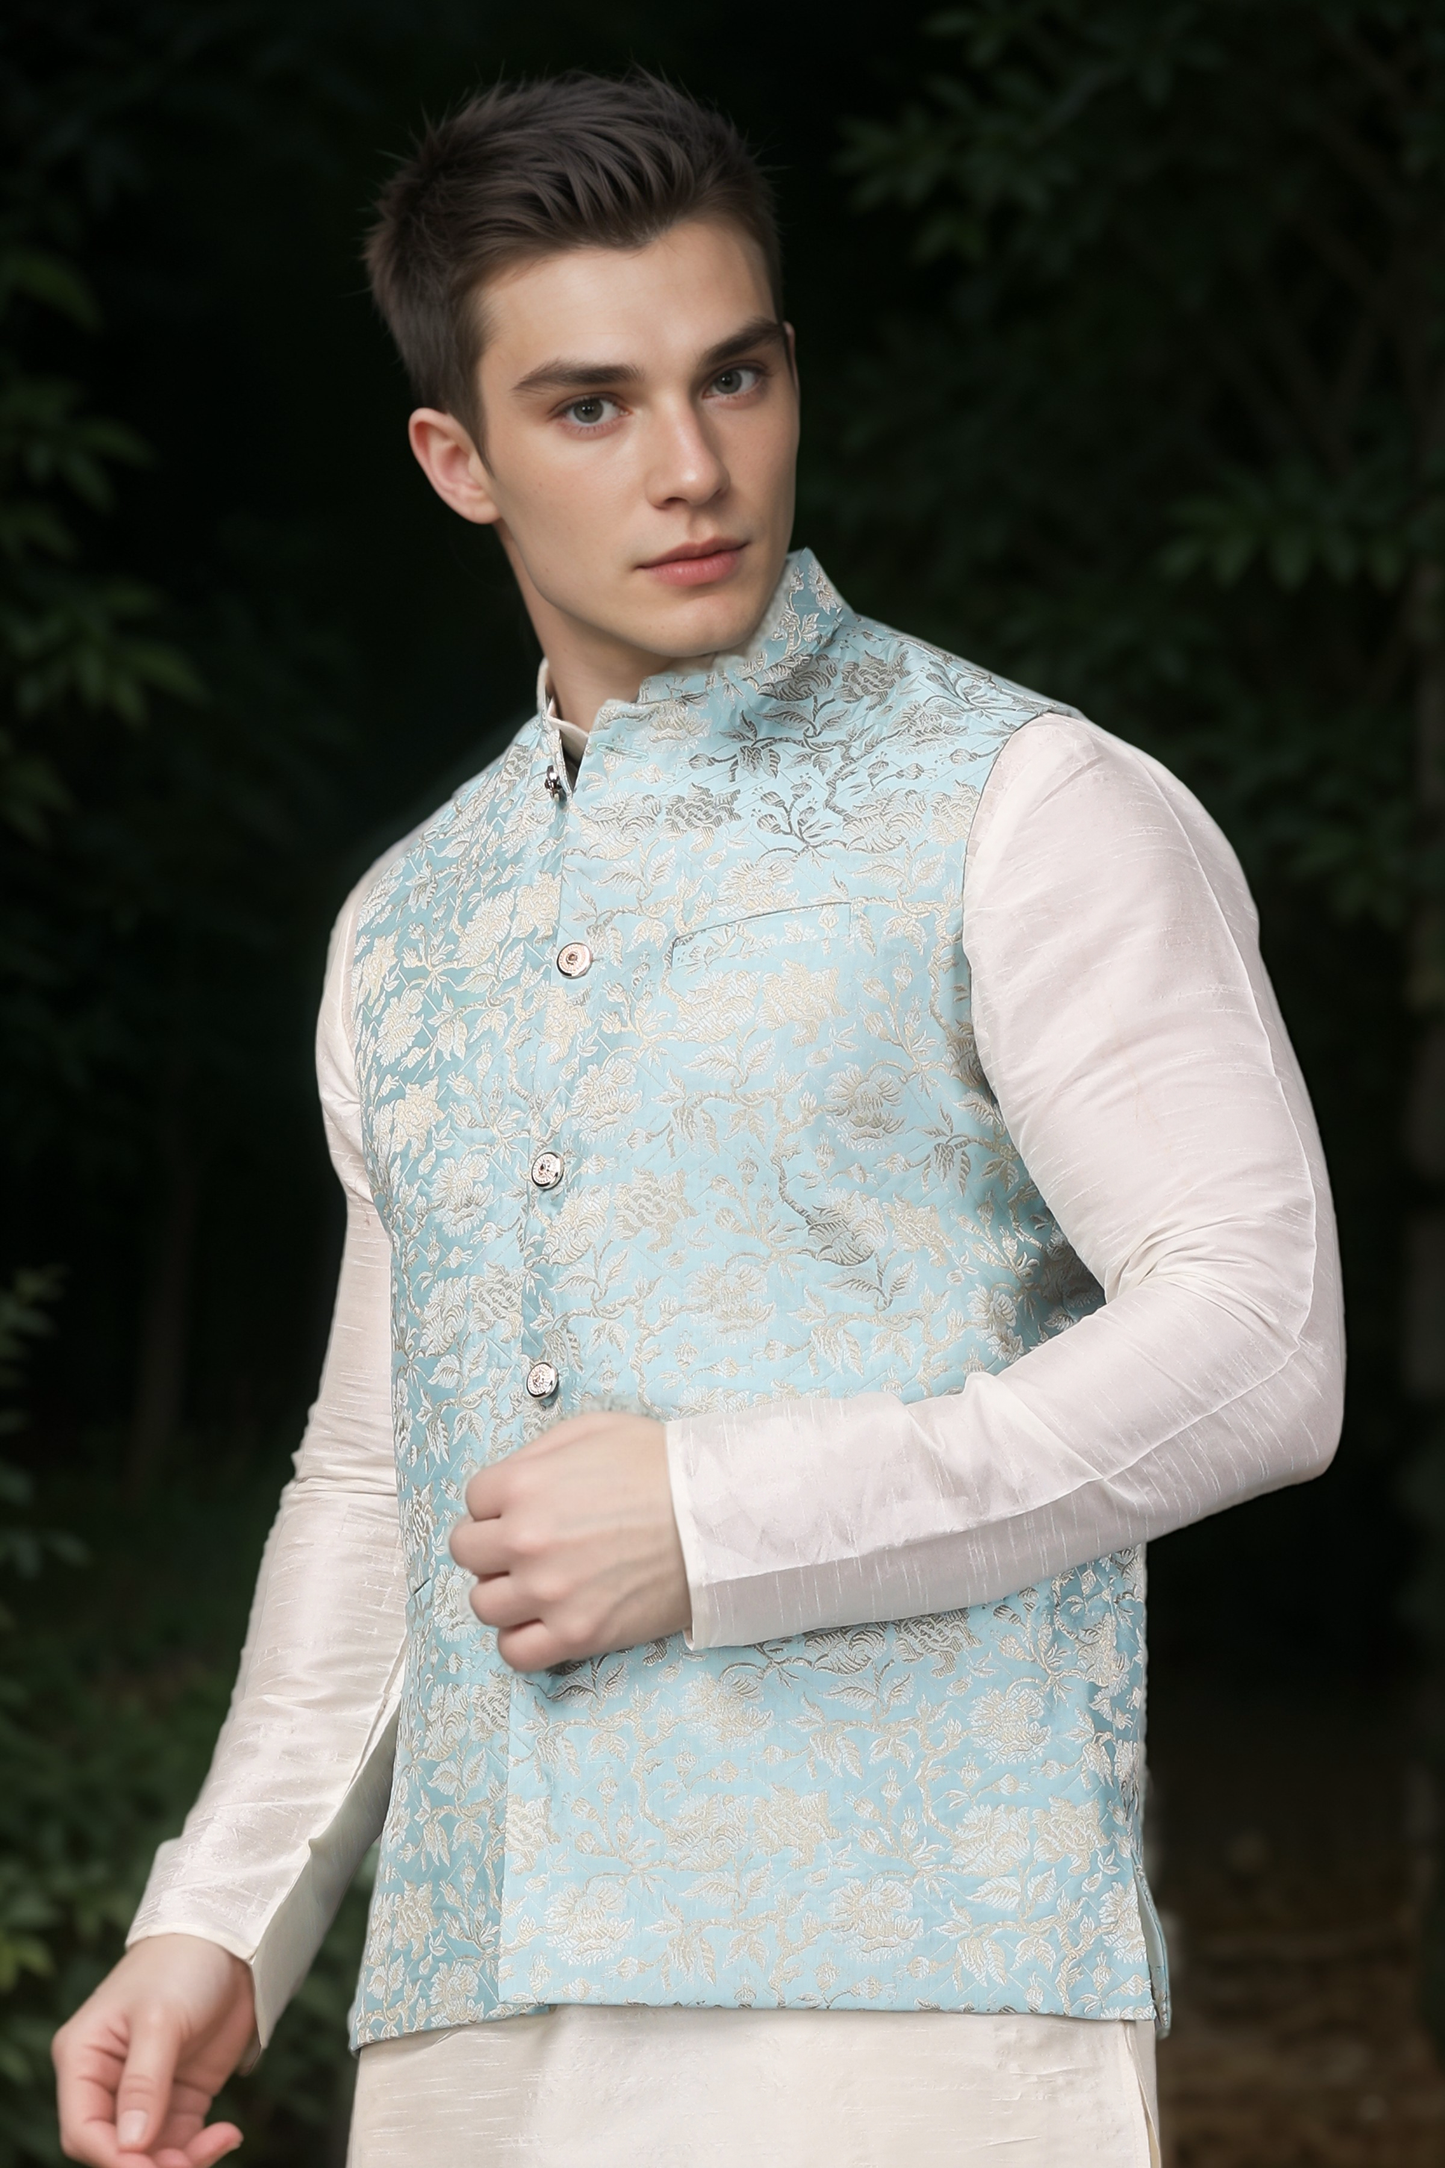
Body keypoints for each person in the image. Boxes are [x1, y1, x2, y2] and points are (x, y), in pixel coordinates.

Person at [52, 70, 1343, 2168]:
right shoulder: (406, 923)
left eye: (732, 376)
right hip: (471, 2021)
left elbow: (1260, 1340)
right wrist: (223, 1909)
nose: (691, 468)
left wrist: (722, 1520)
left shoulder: (1029, 808)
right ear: (456, 460)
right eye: (590, 406)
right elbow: (383, 1462)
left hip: (912, 2004)